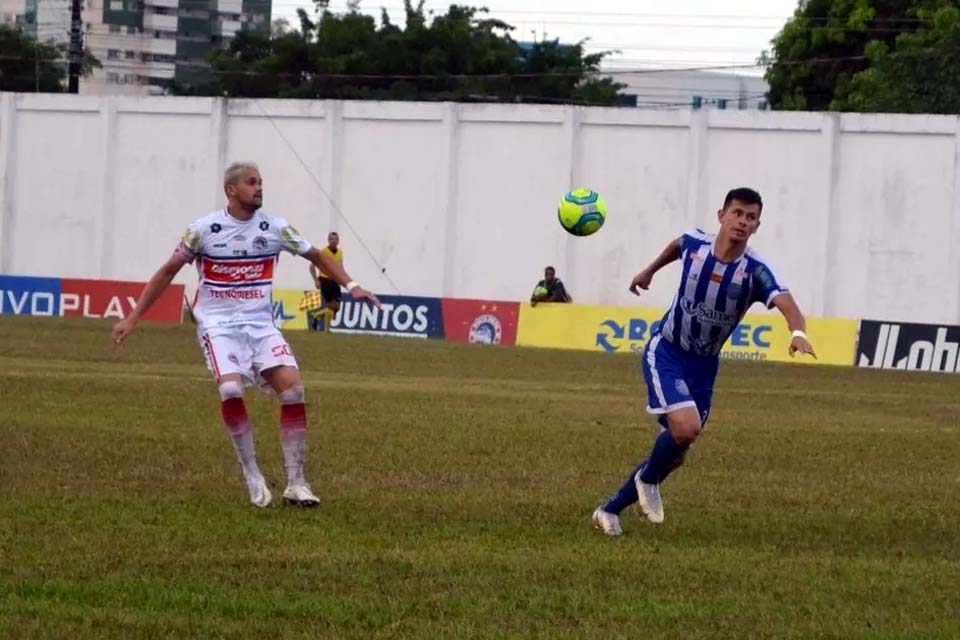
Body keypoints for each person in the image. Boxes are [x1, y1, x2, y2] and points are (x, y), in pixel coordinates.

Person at [111, 162, 380, 509]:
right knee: (230, 389)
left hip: (261, 325)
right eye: (252, 183)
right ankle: (252, 473)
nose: (259, 188)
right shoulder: (203, 230)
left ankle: (297, 483)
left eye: (261, 182)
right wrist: (133, 318)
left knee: (294, 391)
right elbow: (167, 272)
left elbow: (315, 255)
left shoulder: (275, 228)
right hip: (219, 326)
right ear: (232, 190)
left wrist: (353, 285)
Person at [592, 187, 816, 536]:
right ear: (721, 216)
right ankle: (647, 480)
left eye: (751, 217)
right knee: (686, 429)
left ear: (757, 226)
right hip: (667, 350)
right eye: (737, 213)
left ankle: (609, 510)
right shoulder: (695, 244)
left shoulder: (755, 271)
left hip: (705, 366)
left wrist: (798, 333)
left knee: (676, 454)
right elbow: (676, 246)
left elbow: (788, 303)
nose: (742, 221)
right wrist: (649, 271)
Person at [308, 232, 344, 331]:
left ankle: (315, 315)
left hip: (335, 280)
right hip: (325, 280)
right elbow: (312, 266)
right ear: (328, 240)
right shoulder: (323, 252)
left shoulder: (340, 252)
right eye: (332, 239)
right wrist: (316, 280)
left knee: (337, 307)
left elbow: (340, 267)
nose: (334, 241)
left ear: (338, 241)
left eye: (335, 239)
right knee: (332, 305)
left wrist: (343, 279)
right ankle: (327, 330)